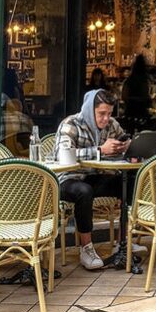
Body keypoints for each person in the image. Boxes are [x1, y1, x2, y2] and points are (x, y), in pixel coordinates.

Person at [54, 89, 131, 270]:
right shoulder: (70, 124)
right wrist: (99, 150)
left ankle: (122, 242)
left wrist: (125, 147)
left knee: (129, 183)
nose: (106, 119)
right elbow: (61, 155)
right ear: (90, 110)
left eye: (109, 113)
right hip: (68, 179)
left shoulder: (112, 125)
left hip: (95, 176)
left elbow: (123, 142)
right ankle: (86, 248)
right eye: (101, 114)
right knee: (83, 191)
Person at [121, 55, 153, 133]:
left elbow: (124, 96)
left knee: (130, 132)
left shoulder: (129, 80)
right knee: (143, 132)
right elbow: (148, 94)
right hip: (142, 111)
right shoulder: (146, 80)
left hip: (130, 110)